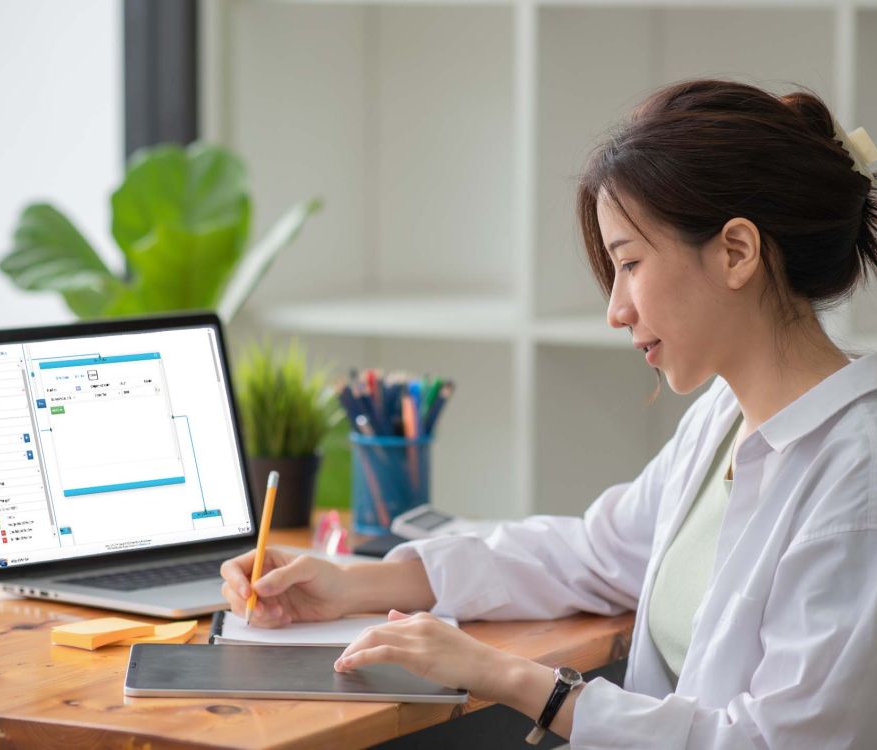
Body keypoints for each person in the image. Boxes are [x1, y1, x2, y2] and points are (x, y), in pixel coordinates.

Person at [221, 79, 877, 749]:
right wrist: (357, 584)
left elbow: (780, 743)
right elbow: (590, 553)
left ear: (737, 252)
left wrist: (511, 677)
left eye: (629, 263)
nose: (616, 309)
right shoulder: (727, 417)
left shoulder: (857, 475)